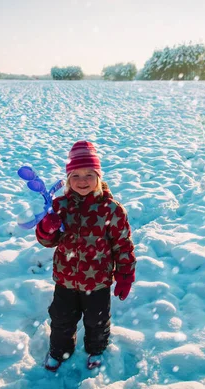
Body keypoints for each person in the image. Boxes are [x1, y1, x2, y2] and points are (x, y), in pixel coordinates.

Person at [35, 140, 137, 372]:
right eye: (76, 176)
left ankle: (96, 349)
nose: (82, 181)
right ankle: (59, 351)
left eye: (89, 175)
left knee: (97, 321)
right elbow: (47, 241)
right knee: (61, 321)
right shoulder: (59, 206)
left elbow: (122, 245)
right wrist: (47, 228)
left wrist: (125, 274)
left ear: (99, 177)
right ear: (68, 180)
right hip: (65, 279)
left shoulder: (112, 209)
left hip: (98, 280)